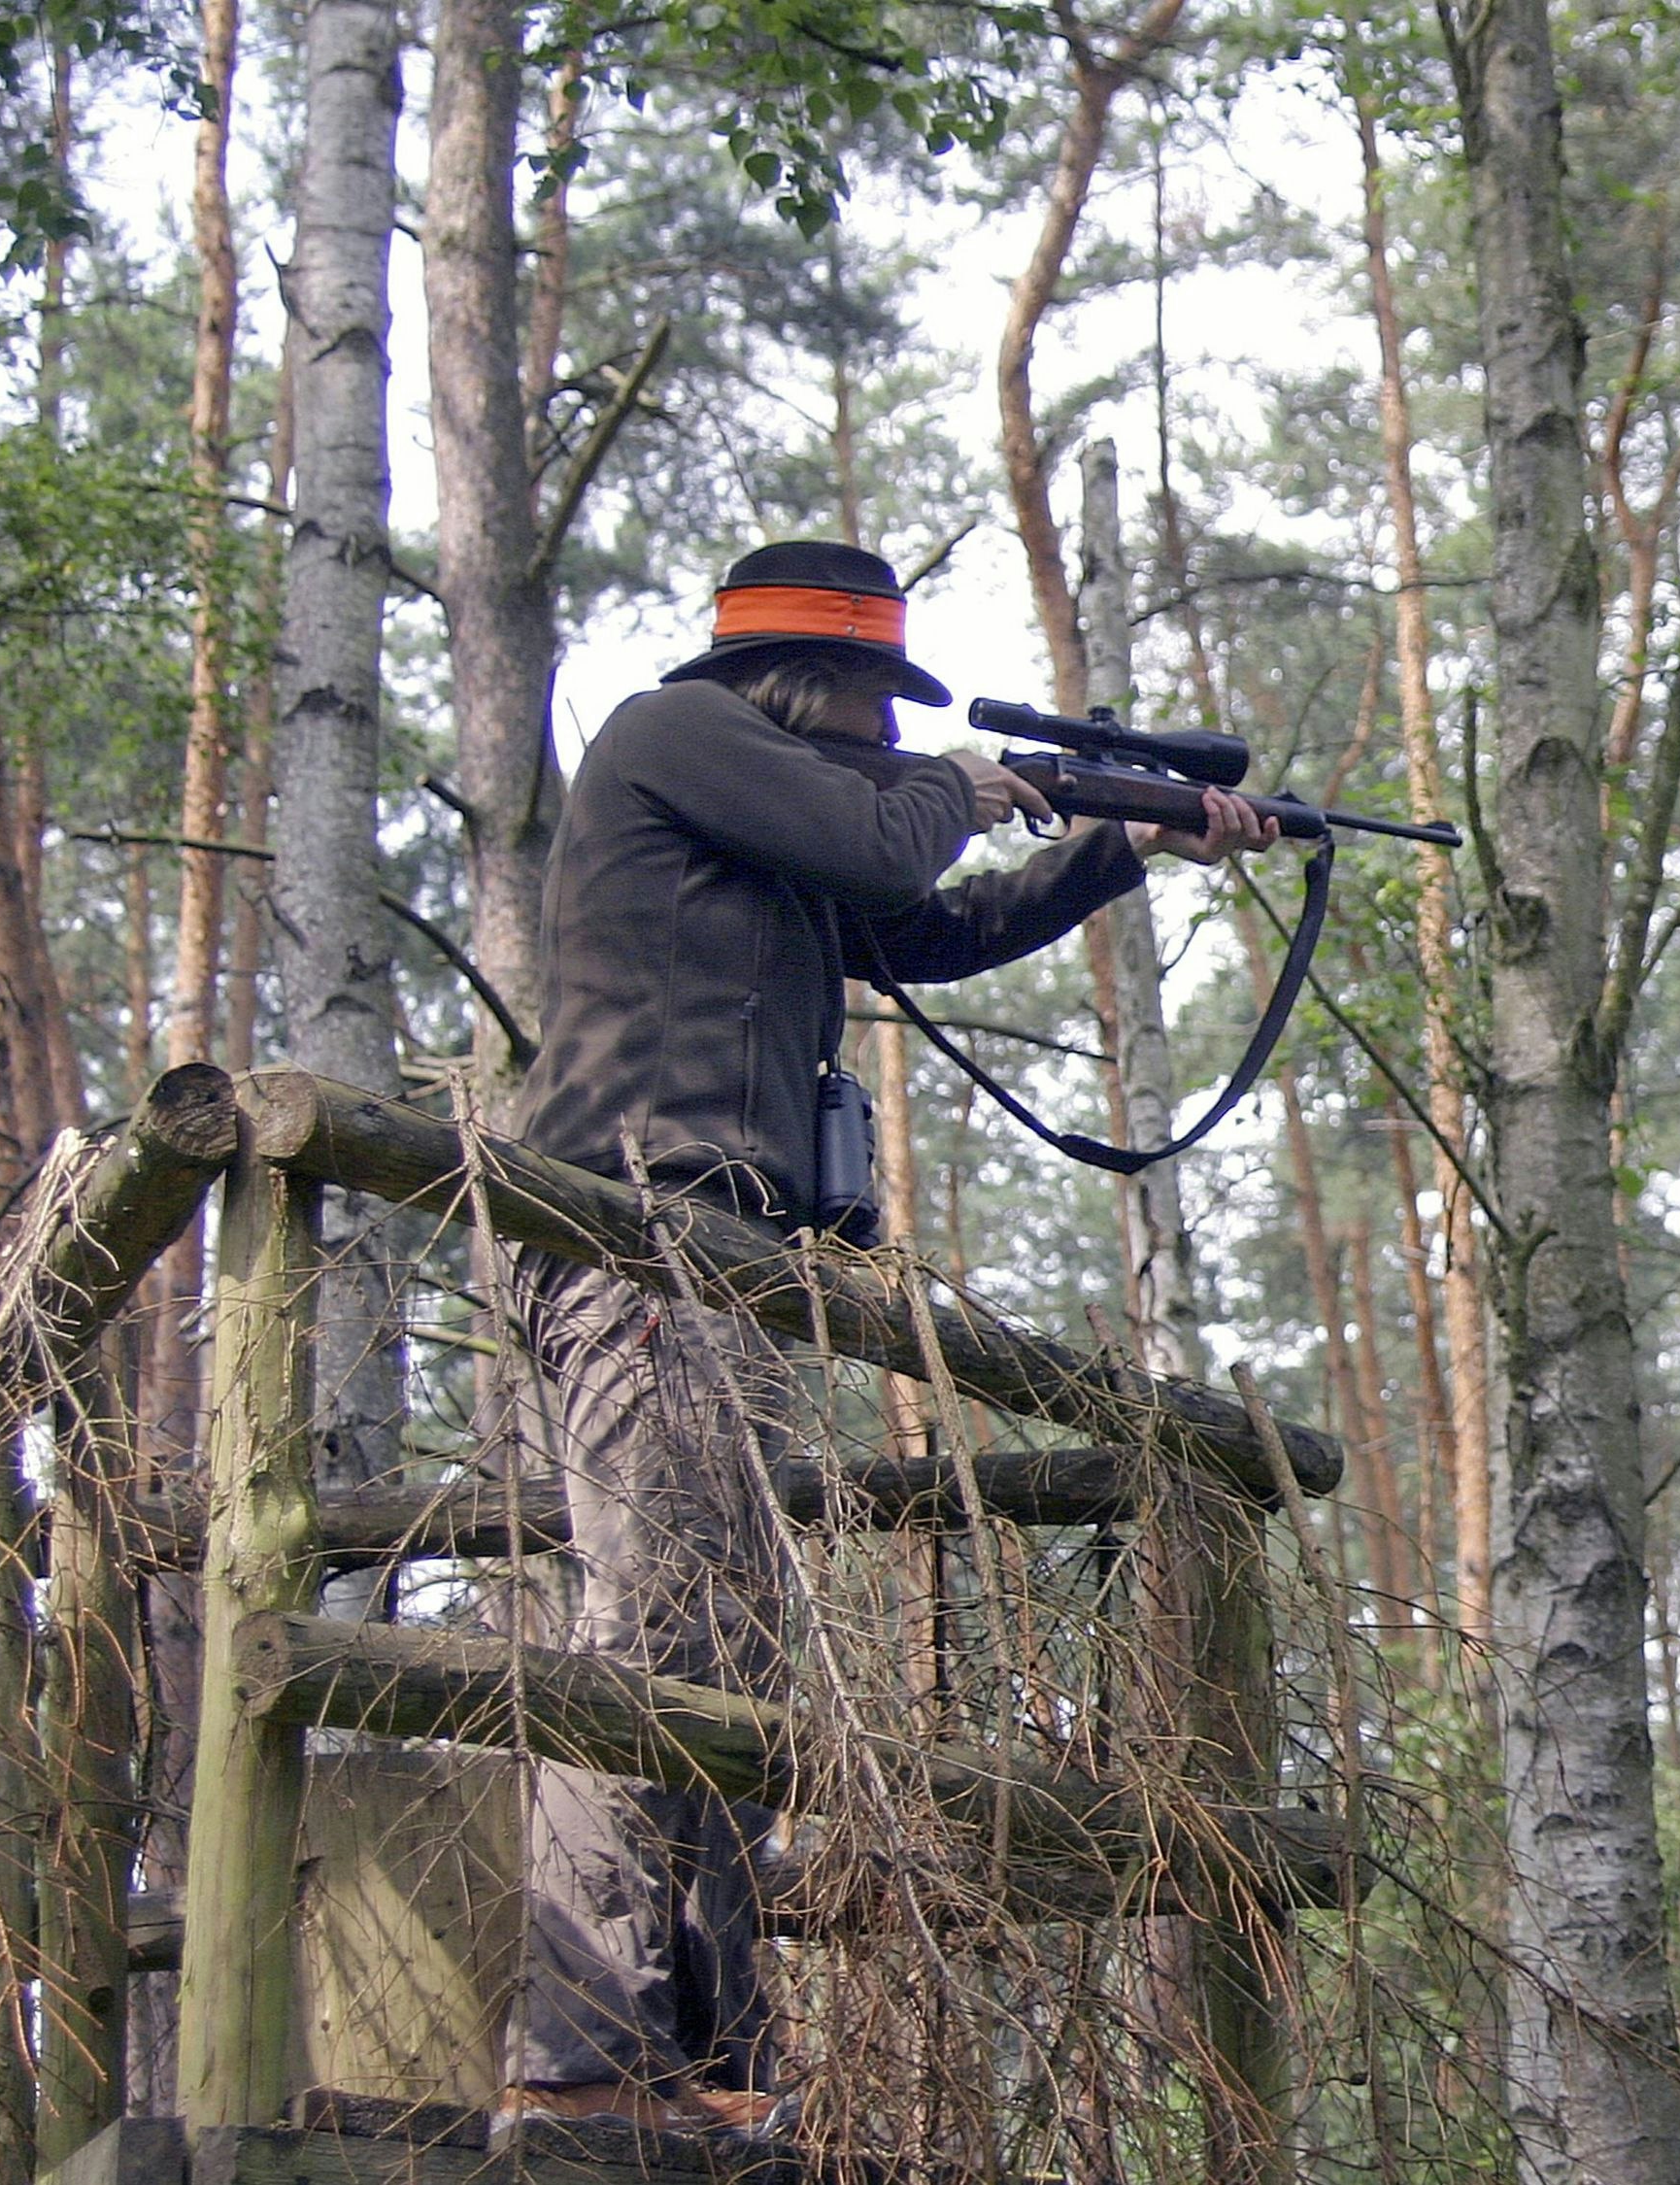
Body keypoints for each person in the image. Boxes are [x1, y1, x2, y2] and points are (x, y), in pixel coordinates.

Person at [497, 540, 1275, 2136]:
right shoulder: (673, 735)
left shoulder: (790, 836)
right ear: (801, 687)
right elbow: (895, 846)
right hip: (643, 1236)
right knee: (654, 1647)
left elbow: (926, 929)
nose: (883, 725)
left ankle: (705, 2065)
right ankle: (590, 2066)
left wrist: (1119, 843)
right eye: (869, 695)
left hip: (717, 1261)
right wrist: (976, 786)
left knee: (722, 1660)